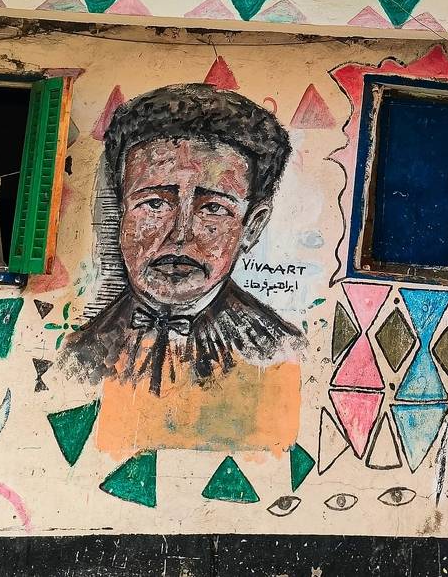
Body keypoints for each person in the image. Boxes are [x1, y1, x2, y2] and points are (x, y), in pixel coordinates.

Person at [64, 83, 303, 396]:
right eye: (154, 203)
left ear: (252, 227)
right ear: (122, 213)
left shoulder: (280, 352)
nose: (180, 235)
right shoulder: (77, 354)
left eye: (213, 208)